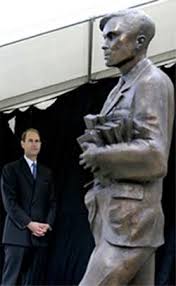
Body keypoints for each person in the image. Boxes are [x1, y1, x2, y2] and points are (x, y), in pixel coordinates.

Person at [78, 8, 174, 286]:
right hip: (120, 222)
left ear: (140, 41)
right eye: (105, 38)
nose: (105, 44)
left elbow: (156, 156)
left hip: (132, 225)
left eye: (113, 36)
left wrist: (101, 156)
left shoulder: (151, 82)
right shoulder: (122, 86)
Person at [1, 128, 56, 286]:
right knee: (10, 281)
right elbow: (9, 203)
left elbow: (52, 203)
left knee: (32, 282)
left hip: (39, 236)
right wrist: (29, 224)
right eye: (30, 140)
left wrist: (47, 224)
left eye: (37, 141)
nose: (34, 144)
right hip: (16, 236)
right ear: (22, 144)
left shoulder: (47, 173)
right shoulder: (10, 169)